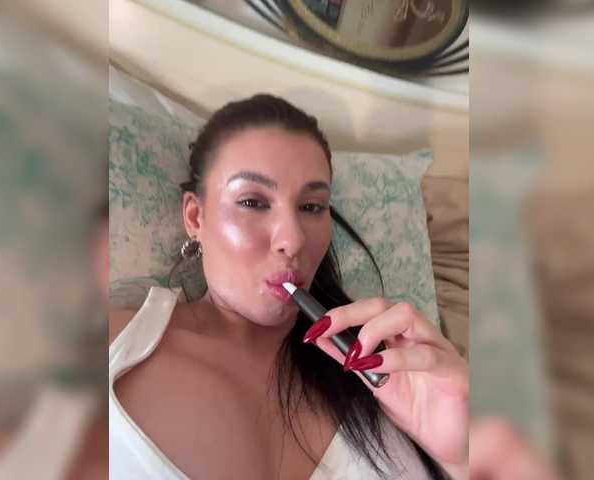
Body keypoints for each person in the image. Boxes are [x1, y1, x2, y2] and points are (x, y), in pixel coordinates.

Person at [109, 94, 468, 479]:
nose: (293, 239)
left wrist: (460, 456)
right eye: (252, 202)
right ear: (195, 217)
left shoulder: (393, 379)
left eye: (312, 207)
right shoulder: (110, 349)